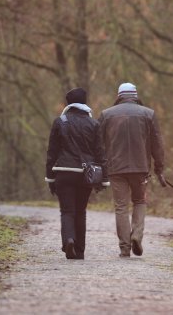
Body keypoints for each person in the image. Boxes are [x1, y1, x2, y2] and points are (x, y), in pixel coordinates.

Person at [97, 82, 166, 258]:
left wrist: (99, 167)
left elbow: (98, 144)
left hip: (115, 169)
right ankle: (136, 235)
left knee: (121, 206)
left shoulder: (106, 115)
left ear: (119, 95)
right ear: (135, 95)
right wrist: (159, 168)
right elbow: (157, 144)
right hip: (140, 167)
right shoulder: (148, 114)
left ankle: (124, 248)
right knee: (139, 202)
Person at [45, 87, 107, 260]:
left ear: (68, 103)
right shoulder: (94, 124)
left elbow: (52, 152)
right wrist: (104, 179)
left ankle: (69, 240)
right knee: (81, 211)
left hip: (63, 173)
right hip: (85, 174)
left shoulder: (60, 122)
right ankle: (79, 250)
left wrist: (50, 177)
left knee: (67, 211)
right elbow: (100, 153)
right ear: (84, 103)